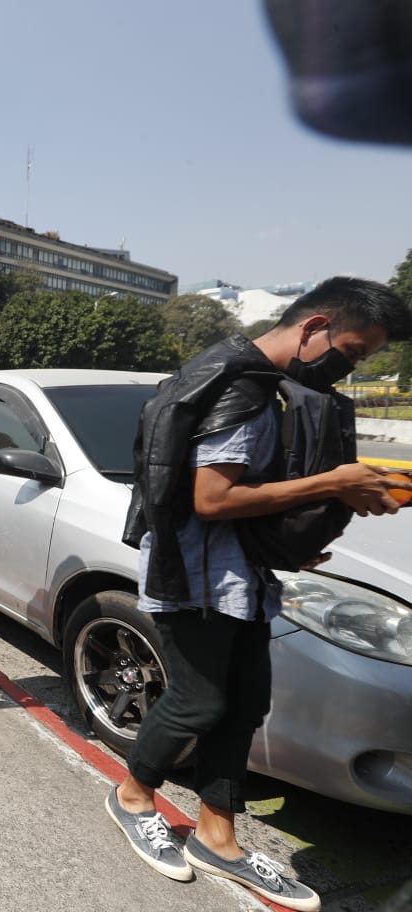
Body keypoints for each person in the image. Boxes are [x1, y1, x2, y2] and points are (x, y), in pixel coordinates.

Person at [110, 277, 412, 911]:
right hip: (192, 575)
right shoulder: (239, 384)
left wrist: (290, 541)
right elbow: (210, 499)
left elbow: (243, 496)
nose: (348, 366)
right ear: (313, 327)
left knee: (244, 703)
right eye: (352, 351)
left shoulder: (259, 382)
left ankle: (217, 836)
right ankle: (133, 797)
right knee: (199, 702)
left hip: (240, 574)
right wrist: (332, 483)